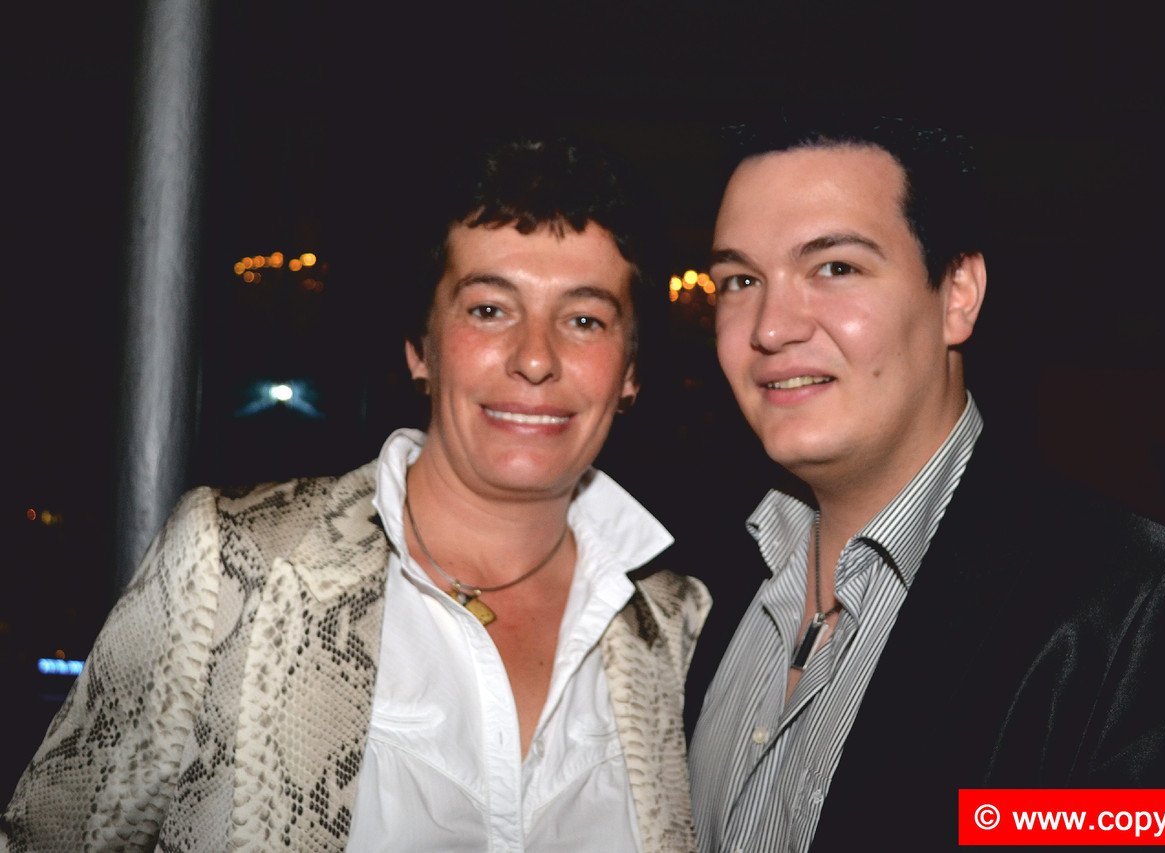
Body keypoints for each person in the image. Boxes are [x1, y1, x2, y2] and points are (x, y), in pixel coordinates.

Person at [3, 137, 710, 852]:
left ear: (630, 372)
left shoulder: (676, 624)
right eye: (490, 309)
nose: (535, 358)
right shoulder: (235, 563)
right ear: (420, 349)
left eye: (585, 319)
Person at [686, 116, 1165, 851]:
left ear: (957, 293)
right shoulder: (699, 584)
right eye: (741, 280)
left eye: (835, 268)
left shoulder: (1139, 608)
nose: (771, 327)